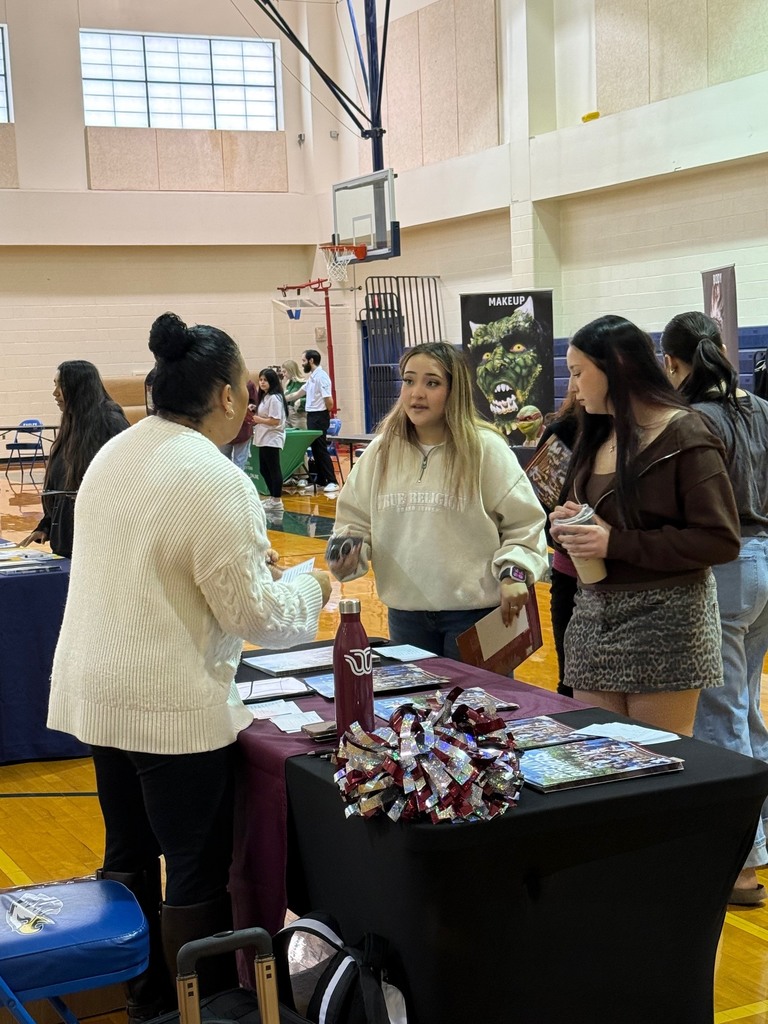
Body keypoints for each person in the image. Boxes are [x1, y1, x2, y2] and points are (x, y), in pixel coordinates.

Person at [47, 312, 332, 1021]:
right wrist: (316, 585)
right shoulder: (213, 476)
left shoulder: (118, 450)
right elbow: (260, 620)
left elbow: (156, 566)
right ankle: (191, 1006)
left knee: (128, 852)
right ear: (230, 397)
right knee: (195, 865)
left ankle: (140, 993)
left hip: (97, 689)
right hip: (165, 704)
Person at [550, 314, 740, 736]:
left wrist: (613, 543)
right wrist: (565, 528)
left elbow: (720, 540)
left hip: (667, 623)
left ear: (616, 366)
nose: (574, 386)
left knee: (658, 767)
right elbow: (589, 524)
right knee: (597, 761)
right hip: (593, 619)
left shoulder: (686, 433)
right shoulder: (596, 432)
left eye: (579, 373)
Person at [327, 341, 548, 659]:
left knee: (477, 707)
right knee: (416, 706)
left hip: (476, 616)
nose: (417, 393)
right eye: (409, 380)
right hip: (405, 616)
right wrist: (347, 551)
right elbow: (354, 520)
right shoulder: (381, 452)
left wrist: (514, 572)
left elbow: (524, 523)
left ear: (454, 391)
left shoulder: (486, 449)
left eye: (431, 383)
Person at [662, 310, 768, 905]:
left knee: (723, 714)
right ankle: (762, 840)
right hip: (766, 560)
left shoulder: (694, 419)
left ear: (673, 365)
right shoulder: (759, 407)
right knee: (747, 706)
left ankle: (743, 866)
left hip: (726, 569)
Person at [21, 360, 129, 558]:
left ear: (78, 387)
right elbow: (61, 480)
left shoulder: (110, 422)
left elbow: (127, 477)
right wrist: (46, 525)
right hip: (68, 542)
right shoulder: (72, 421)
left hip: (98, 544)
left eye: (59, 385)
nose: (55, 393)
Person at [534, 392, 580, 697]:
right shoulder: (564, 430)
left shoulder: (643, 429)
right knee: (570, 682)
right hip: (571, 575)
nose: (577, 382)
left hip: (630, 582)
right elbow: (539, 500)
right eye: (574, 372)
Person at [285, 349, 338, 492]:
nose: (302, 365)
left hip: (319, 416)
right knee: (315, 449)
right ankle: (321, 480)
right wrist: (280, 398)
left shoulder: (322, 377)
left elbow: (329, 401)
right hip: (312, 416)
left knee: (321, 449)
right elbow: (297, 394)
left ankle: (332, 481)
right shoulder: (312, 378)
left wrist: (324, 413)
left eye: (303, 361)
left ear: (311, 361)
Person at [252, 367, 287, 511]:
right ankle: (273, 498)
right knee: (264, 469)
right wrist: (255, 408)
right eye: (260, 380)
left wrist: (259, 419)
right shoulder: (265, 397)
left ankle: (277, 501)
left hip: (272, 437)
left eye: (265, 380)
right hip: (264, 437)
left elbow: (275, 420)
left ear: (272, 381)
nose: (262, 382)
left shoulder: (275, 398)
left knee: (273, 469)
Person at [219, 377, 257, 471]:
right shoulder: (221, 383)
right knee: (224, 461)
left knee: (238, 461)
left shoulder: (248, 384)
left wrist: (250, 410)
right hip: (226, 427)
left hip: (241, 427)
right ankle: (227, 484)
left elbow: (254, 405)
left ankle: (236, 484)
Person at [281, 358, 307, 429]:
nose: (283, 375)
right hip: (288, 415)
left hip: (299, 415)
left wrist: (300, 401)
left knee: (300, 437)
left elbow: (311, 399)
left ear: (290, 370)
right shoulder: (288, 383)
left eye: (284, 372)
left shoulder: (303, 383)